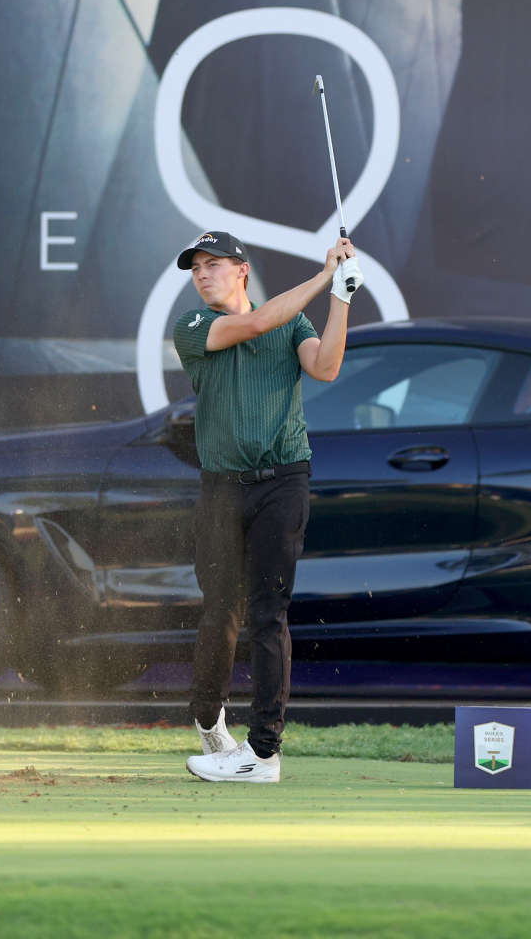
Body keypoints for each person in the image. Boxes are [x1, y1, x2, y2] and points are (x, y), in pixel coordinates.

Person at [172, 229, 359, 783]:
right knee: (221, 610)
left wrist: (341, 299)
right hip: (221, 486)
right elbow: (256, 324)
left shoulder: (294, 324)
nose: (202, 274)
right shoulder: (193, 327)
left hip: (283, 480)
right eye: (196, 267)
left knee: (267, 612)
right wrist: (324, 274)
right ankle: (210, 723)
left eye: (214, 264)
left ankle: (264, 752)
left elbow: (325, 366)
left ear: (242, 270)